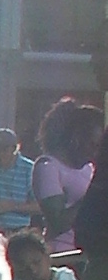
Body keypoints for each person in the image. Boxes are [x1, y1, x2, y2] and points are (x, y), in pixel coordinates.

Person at [32, 99, 101, 256]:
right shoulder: (48, 167)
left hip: (88, 251)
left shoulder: (89, 168)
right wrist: (95, 194)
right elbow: (58, 223)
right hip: (63, 253)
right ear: (76, 139)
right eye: (93, 144)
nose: (96, 152)